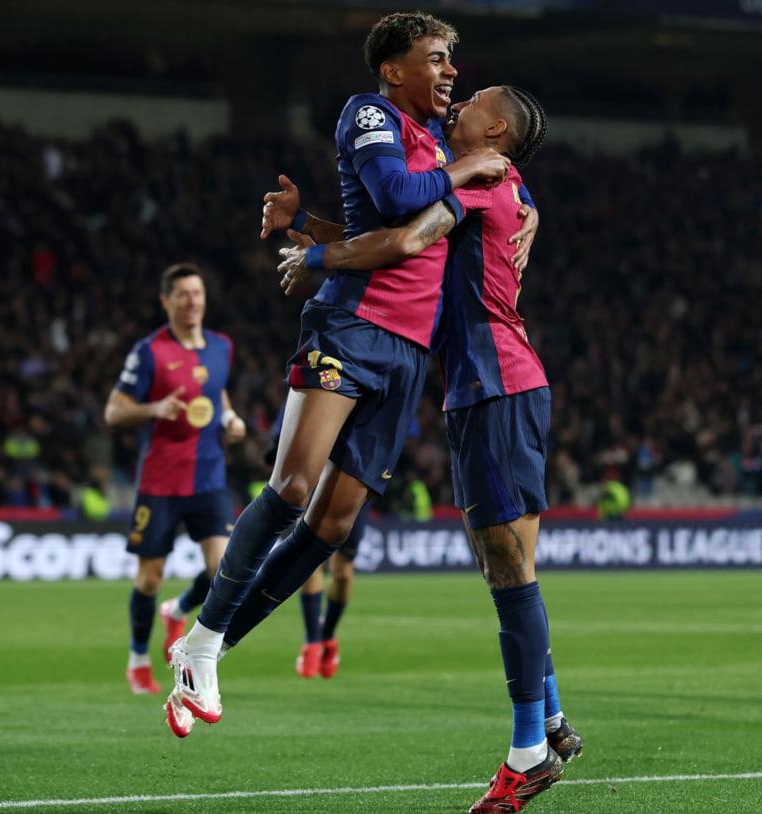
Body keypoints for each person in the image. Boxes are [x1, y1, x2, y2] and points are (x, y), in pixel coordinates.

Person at [162, 11, 514, 737]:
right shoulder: (370, 114)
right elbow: (395, 198)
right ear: (393, 69)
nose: (451, 71)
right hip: (350, 327)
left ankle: (205, 646)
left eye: (451, 60)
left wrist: (308, 227)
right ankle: (201, 644)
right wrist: (465, 170)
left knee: (332, 523)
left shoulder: (439, 142)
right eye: (437, 58)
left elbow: (389, 236)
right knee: (293, 487)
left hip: (409, 353)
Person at [275, 85, 579, 814]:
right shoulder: (493, 179)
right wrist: (306, 223)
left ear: (495, 129)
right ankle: (550, 720)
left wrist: (314, 252)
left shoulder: (477, 183)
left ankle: (528, 753)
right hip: (488, 387)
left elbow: (404, 241)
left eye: (474, 101)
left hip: (496, 385)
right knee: (504, 565)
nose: (459, 100)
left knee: (509, 566)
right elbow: (399, 240)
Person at [106, 262, 245, 694]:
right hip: (161, 481)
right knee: (150, 577)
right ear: (166, 301)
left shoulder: (221, 346)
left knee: (223, 570)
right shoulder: (149, 352)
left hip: (209, 477)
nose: (191, 302)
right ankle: (137, 659)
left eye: (197, 293)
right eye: (182, 294)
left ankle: (179, 609)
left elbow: (217, 392)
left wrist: (229, 417)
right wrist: (154, 409)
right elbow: (114, 411)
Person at [296, 502, 369, 678]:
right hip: (315, 491)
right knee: (309, 561)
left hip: (357, 492)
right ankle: (312, 642)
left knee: (343, 574)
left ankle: (327, 636)